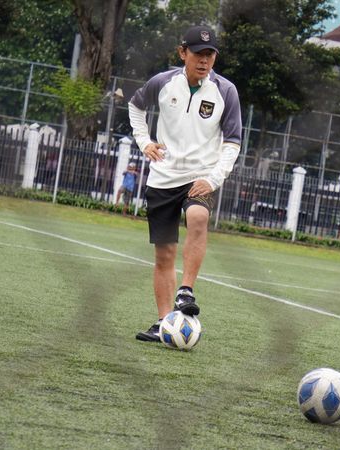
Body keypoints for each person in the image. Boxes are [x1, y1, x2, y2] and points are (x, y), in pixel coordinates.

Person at [127, 25, 242, 342]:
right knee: (164, 256)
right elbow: (135, 107)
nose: (204, 61)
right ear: (183, 53)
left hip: (200, 177)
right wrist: (144, 141)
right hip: (163, 177)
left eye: (210, 54)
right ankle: (165, 324)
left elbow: (233, 141)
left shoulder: (226, 92)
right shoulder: (163, 82)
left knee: (198, 217)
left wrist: (213, 178)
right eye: (198, 54)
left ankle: (186, 291)